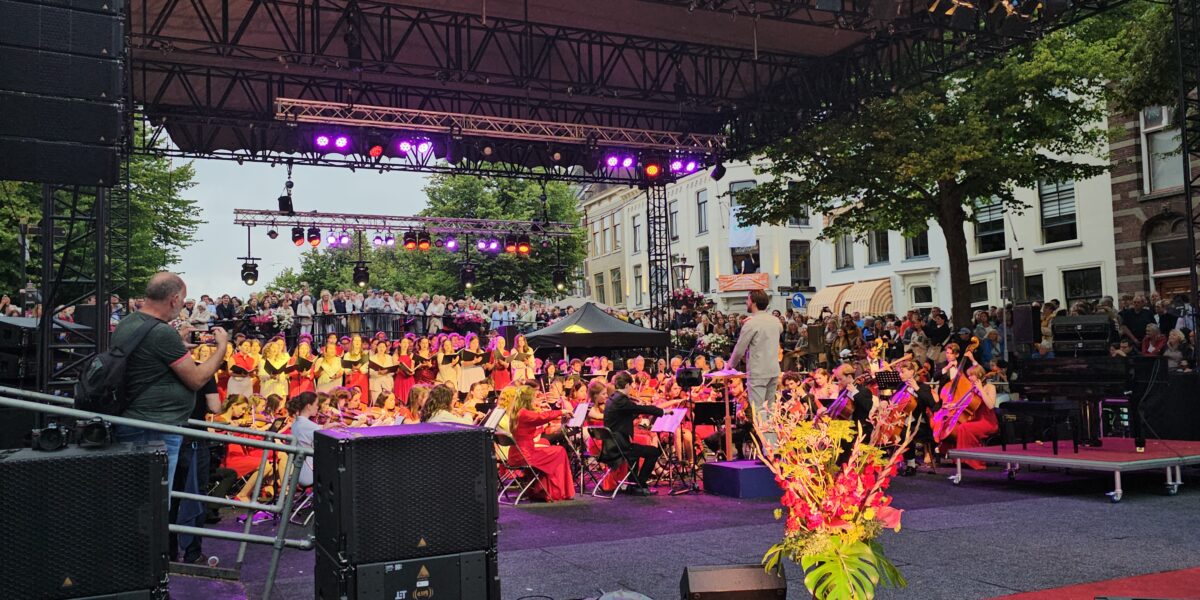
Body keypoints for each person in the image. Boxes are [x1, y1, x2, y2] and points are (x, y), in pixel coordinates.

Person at [113, 272, 229, 492]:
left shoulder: (128, 323)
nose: (183, 305)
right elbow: (196, 380)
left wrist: (176, 345)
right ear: (174, 299)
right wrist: (222, 347)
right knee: (154, 502)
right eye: (183, 300)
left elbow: (148, 357)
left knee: (135, 498)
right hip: (155, 428)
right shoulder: (162, 333)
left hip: (136, 420)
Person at [169, 343, 224, 565]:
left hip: (169, 437)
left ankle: (168, 553)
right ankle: (192, 553)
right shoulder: (202, 371)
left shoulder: (165, 369)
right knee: (195, 496)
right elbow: (215, 407)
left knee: (169, 496)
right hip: (194, 440)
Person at [726, 290, 783, 446]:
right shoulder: (775, 321)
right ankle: (774, 447)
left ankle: (768, 448)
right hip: (773, 370)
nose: (746, 302)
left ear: (754, 302)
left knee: (758, 411)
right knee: (770, 409)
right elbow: (777, 330)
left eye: (748, 300)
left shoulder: (751, 323)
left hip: (758, 371)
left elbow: (739, 348)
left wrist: (729, 365)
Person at [507, 386, 575, 502]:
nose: (535, 401)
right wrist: (561, 411)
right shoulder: (524, 414)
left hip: (517, 453)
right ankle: (555, 491)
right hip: (525, 456)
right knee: (559, 451)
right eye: (534, 398)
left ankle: (542, 490)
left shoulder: (516, 412)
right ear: (528, 400)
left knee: (551, 449)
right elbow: (541, 417)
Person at [601, 371, 664, 495]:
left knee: (635, 453)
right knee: (654, 452)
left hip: (611, 445)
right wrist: (662, 412)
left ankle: (634, 485)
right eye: (631, 386)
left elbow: (626, 415)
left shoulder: (612, 399)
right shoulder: (621, 400)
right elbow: (641, 409)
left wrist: (636, 409)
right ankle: (641, 483)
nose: (632, 388)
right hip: (619, 447)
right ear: (626, 386)